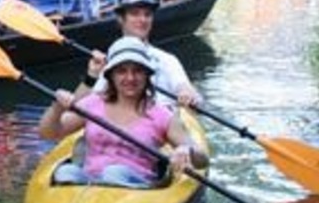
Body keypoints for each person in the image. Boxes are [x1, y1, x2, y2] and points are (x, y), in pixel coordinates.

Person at [38, 36, 208, 187]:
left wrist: (187, 150)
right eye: (122, 71)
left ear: (147, 75)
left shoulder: (161, 115)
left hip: (133, 192)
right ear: (111, 76)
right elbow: (49, 133)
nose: (130, 78)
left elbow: (202, 160)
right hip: (89, 186)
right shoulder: (93, 103)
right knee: (65, 173)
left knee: (114, 173)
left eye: (137, 71)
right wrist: (56, 108)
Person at [71, 0, 201, 108]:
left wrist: (187, 93)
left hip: (164, 123)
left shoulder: (167, 60)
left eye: (147, 14)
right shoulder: (107, 63)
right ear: (120, 19)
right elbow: (77, 108)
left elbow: (184, 87)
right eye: (135, 14)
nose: (143, 19)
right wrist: (91, 76)